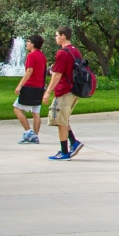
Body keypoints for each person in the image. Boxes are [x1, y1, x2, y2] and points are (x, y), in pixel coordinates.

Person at [44, 26, 86, 161]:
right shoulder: (75, 51)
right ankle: (73, 142)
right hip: (74, 91)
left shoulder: (62, 53)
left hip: (64, 91)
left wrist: (48, 91)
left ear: (63, 36)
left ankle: (64, 152)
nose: (55, 38)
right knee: (64, 119)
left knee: (60, 121)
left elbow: (57, 75)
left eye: (56, 36)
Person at [13, 34, 47, 144]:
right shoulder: (42, 56)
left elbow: (29, 71)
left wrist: (20, 85)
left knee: (17, 108)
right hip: (39, 87)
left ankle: (28, 133)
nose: (26, 43)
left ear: (32, 44)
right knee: (36, 112)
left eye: (28, 41)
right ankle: (35, 136)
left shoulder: (31, 56)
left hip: (30, 87)